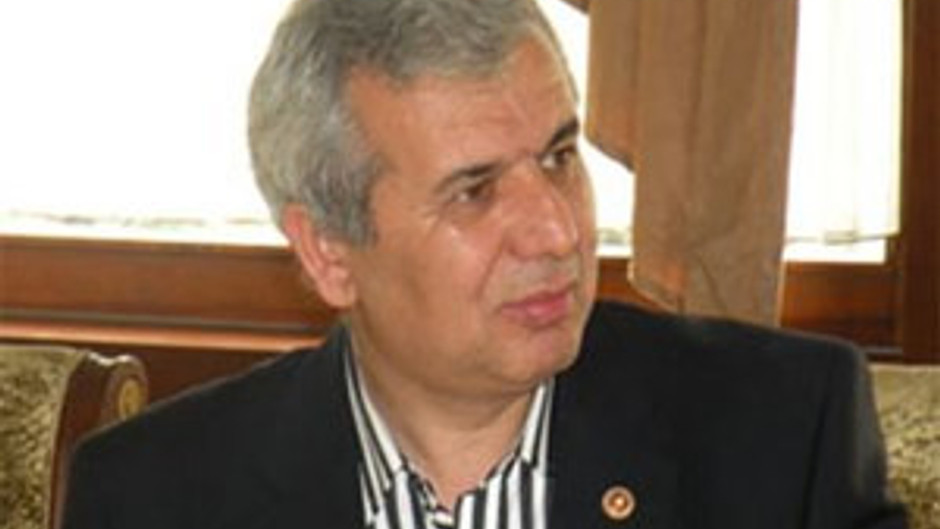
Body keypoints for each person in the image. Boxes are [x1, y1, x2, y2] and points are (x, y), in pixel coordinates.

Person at [63, 0, 908, 528]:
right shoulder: (153, 496)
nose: (556, 232)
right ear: (327, 251)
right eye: (474, 191)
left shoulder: (780, 438)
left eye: (560, 157)